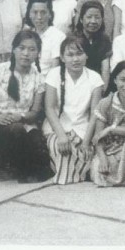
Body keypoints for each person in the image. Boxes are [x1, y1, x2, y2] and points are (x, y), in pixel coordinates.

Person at [0, 31, 53, 182]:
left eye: (32, 49)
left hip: (23, 125)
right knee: (16, 130)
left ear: (38, 53)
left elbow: (35, 112)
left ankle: (15, 163)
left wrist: (21, 116)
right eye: (22, 48)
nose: (26, 53)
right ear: (13, 49)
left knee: (42, 161)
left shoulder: (38, 78)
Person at [43, 35, 104, 184]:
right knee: (61, 149)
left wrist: (86, 142)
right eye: (70, 55)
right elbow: (49, 108)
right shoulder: (54, 74)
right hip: (57, 129)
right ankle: (69, 175)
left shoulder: (95, 78)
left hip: (83, 130)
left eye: (79, 54)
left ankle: (64, 176)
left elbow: (95, 114)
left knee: (84, 153)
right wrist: (61, 136)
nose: (75, 59)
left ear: (86, 55)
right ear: (62, 58)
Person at [24, 0, 66, 76]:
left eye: (43, 12)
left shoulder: (58, 36)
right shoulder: (26, 35)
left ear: (50, 14)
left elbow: (55, 69)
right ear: (29, 14)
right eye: (35, 12)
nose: (39, 17)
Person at [74, 0, 112, 91]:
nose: (93, 21)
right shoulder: (73, 39)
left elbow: (105, 69)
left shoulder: (105, 39)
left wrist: (102, 90)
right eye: (89, 17)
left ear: (102, 20)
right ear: (81, 19)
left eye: (97, 17)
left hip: (98, 85)